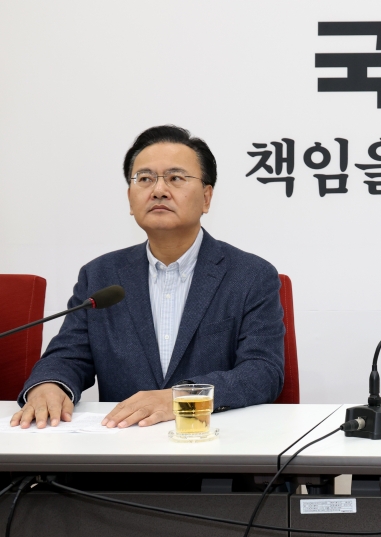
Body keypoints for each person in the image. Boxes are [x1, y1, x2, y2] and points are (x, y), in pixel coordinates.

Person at [12, 125, 285, 429]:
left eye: (175, 178)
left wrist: (180, 398)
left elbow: (263, 371)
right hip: (123, 447)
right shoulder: (100, 275)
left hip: (213, 444)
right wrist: (49, 385)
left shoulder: (250, 275)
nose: (158, 190)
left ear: (207, 198)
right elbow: (67, 357)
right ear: (130, 199)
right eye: (144, 179)